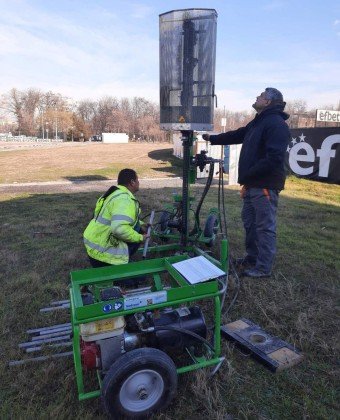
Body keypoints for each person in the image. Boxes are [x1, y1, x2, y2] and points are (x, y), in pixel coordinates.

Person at [203, 88, 291, 278]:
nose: (256, 97)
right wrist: (212, 138)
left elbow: (274, 158)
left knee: (264, 226)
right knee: (250, 223)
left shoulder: (276, 124)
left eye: (260, 96)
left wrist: (250, 174)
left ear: (267, 102)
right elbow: (238, 134)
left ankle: (263, 268)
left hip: (264, 185)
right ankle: (252, 258)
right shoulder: (259, 121)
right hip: (252, 184)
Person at [83, 168, 149, 268]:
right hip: (104, 255)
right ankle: (118, 262)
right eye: (137, 180)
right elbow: (119, 229)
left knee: (137, 228)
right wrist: (140, 238)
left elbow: (112, 217)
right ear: (132, 182)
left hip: (94, 247)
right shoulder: (125, 199)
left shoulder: (113, 193)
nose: (139, 182)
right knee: (139, 278)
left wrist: (140, 224)